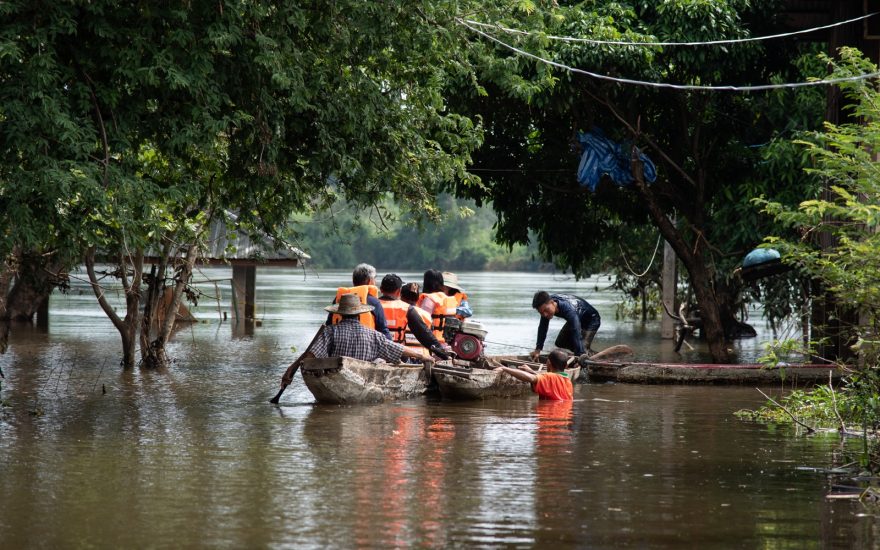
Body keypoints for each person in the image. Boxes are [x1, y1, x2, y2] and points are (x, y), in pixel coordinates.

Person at [307, 294, 428, 363]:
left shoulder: (329, 331)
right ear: (359, 314)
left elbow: (312, 354)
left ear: (340, 314)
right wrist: (421, 356)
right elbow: (398, 349)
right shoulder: (374, 335)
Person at [530, 291, 601, 361]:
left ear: (552, 302)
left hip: (592, 320)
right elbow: (542, 328)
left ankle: (593, 357)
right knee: (560, 342)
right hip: (577, 317)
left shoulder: (568, 310)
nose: (545, 314)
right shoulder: (547, 304)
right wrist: (538, 350)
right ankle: (582, 353)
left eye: (546, 310)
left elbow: (576, 333)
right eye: (541, 313)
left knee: (582, 349)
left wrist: (580, 355)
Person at [328, 263, 392, 340]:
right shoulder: (374, 302)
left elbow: (329, 324)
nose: (375, 282)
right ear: (370, 281)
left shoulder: (340, 299)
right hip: (367, 344)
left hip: (339, 342)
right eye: (375, 278)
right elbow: (383, 330)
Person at [495, 349, 574, 400]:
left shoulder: (550, 377)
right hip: (564, 418)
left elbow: (531, 378)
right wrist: (532, 371)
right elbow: (550, 383)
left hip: (549, 419)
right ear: (566, 366)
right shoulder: (568, 381)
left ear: (548, 362)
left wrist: (505, 369)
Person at [400, 282, 450, 359]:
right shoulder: (427, 315)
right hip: (424, 357)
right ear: (417, 298)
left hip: (406, 355)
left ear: (401, 297)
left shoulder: (400, 312)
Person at [417, 269, 457, 342]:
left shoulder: (430, 299)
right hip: (446, 340)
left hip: (431, 340)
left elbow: (422, 322)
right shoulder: (449, 299)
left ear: (426, 283)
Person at [378, 273, 408, 344]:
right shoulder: (407, 308)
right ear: (399, 291)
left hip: (375, 348)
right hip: (398, 349)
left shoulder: (371, 305)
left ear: (381, 289)